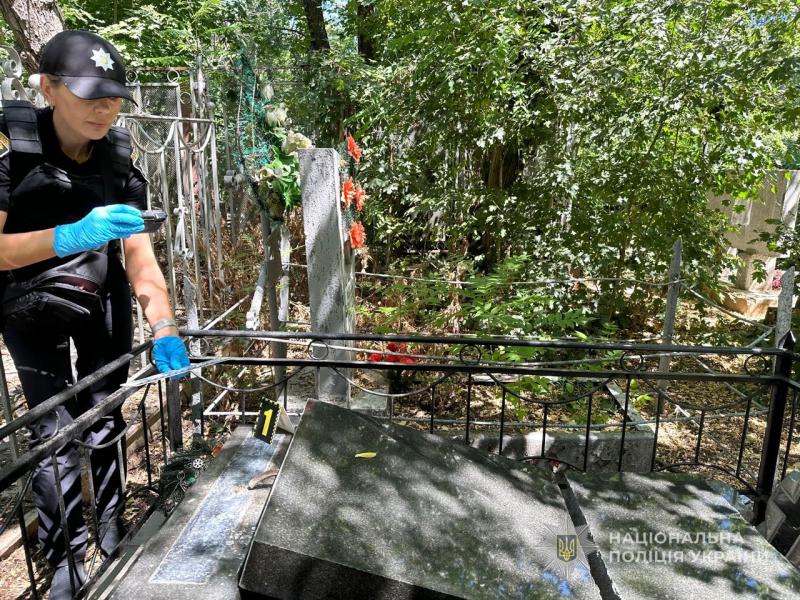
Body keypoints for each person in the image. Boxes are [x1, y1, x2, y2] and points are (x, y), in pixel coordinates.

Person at [0, 31, 189, 599]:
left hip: (101, 300)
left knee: (106, 415)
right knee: (53, 434)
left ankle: (111, 530)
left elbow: (139, 258)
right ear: (48, 88)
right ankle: (64, 556)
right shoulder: (12, 154)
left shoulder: (119, 163)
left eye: (113, 98)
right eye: (89, 96)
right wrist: (70, 235)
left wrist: (164, 326)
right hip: (28, 304)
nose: (105, 110)